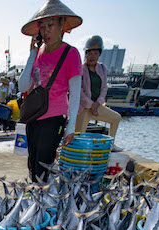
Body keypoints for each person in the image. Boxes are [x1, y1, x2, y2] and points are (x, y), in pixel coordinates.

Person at [18, 0, 82, 182]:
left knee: (42, 167)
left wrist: (71, 127)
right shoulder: (38, 53)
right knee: (32, 166)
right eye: (43, 26)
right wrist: (31, 54)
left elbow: (75, 93)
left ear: (61, 25)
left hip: (54, 118)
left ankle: (42, 202)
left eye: (51, 25)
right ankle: (38, 201)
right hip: (33, 116)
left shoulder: (71, 53)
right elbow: (23, 86)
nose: (46, 31)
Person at [76, 35, 122, 151]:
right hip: (83, 108)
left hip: (97, 106)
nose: (92, 56)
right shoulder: (80, 69)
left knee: (116, 118)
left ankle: (110, 144)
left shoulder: (102, 68)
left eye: (95, 53)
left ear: (99, 54)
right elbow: (79, 90)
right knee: (78, 137)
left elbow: (104, 88)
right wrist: (91, 105)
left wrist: (98, 103)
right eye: (89, 53)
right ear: (85, 54)